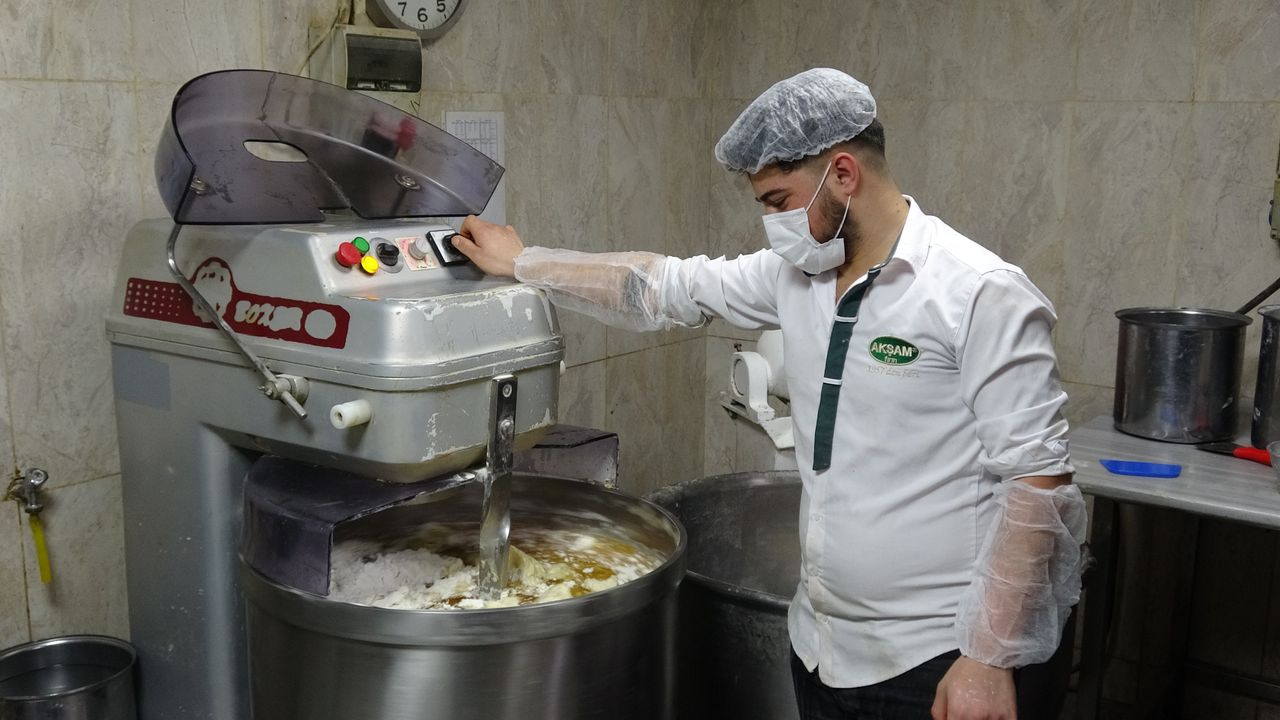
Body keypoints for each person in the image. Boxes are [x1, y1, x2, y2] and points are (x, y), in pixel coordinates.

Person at [451, 68, 1087, 720]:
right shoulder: (798, 276)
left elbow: (1038, 487)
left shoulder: (978, 292)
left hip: (940, 662)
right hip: (820, 650)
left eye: (779, 201)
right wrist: (524, 263)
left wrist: (989, 658)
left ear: (844, 175)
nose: (772, 223)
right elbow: (659, 286)